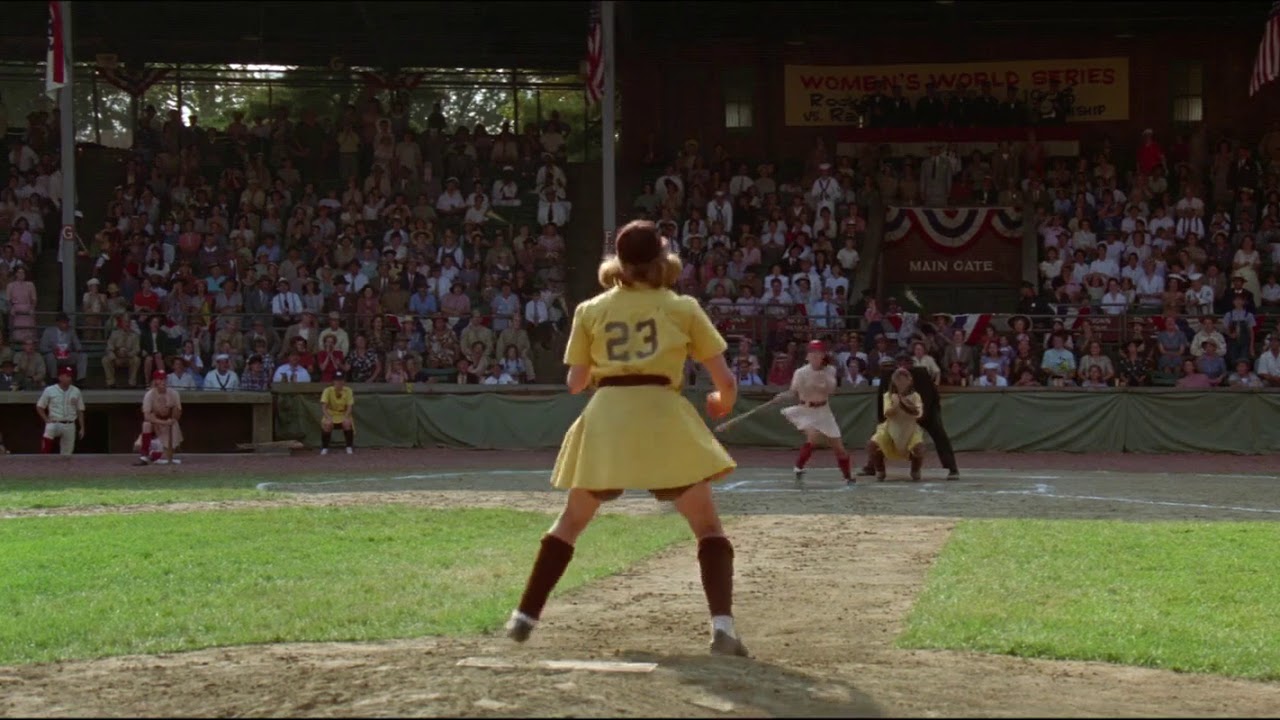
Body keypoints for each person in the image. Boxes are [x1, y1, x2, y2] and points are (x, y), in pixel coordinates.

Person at [504, 220, 747, 657]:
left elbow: (575, 383)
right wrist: (719, 402)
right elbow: (725, 382)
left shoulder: (590, 309)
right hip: (662, 414)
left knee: (571, 522)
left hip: (608, 417)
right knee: (707, 526)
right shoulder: (683, 307)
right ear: (662, 259)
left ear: (617, 262)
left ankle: (524, 616)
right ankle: (723, 629)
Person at [859, 354, 959, 480]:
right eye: (899, 365)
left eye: (906, 364)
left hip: (925, 409)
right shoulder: (888, 375)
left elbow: (928, 399)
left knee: (939, 433)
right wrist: (883, 419)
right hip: (897, 413)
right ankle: (872, 467)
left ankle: (952, 468)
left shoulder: (921, 375)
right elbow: (881, 399)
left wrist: (918, 416)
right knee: (879, 435)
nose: (902, 368)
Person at [781, 339, 853, 487]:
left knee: (839, 447)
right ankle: (798, 467)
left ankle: (848, 476)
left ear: (823, 356)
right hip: (805, 410)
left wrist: (822, 374)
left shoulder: (830, 370)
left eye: (819, 353)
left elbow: (831, 390)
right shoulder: (800, 372)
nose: (815, 356)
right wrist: (782, 396)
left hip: (823, 411)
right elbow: (793, 391)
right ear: (807, 356)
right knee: (813, 436)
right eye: (812, 353)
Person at [867, 366, 926, 481]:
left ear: (910, 381)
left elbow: (918, 413)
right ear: (894, 382)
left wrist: (904, 403)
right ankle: (880, 470)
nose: (901, 382)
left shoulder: (915, 396)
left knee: (919, 448)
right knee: (872, 445)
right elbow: (887, 413)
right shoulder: (888, 396)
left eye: (904, 379)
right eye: (898, 379)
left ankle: (915, 470)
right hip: (890, 430)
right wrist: (895, 404)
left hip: (910, 430)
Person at [136, 370, 184, 466]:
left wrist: (173, 413)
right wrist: (162, 422)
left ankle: (153, 454)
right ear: (155, 381)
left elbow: (178, 414)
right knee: (146, 425)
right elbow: (147, 416)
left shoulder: (174, 393)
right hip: (156, 424)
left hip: (169, 425)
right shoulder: (149, 394)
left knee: (167, 456)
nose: (163, 381)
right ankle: (144, 454)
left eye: (164, 379)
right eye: (160, 379)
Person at [35, 365, 85, 455]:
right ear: (60, 377)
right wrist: (46, 419)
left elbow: (80, 410)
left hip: (69, 423)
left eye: (70, 376)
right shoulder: (50, 390)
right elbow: (40, 406)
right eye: (67, 376)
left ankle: (64, 469)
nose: (70, 378)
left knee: (67, 454)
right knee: (46, 448)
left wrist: (82, 427)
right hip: (54, 422)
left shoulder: (76, 391)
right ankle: (44, 467)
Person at [319, 371, 355, 455]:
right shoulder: (327, 390)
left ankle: (349, 447)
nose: (339, 382)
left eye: (341, 380)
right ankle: (325, 447)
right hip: (331, 413)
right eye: (337, 380)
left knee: (347, 423)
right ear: (333, 381)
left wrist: (346, 417)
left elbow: (350, 407)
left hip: (343, 413)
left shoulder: (348, 390)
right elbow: (324, 407)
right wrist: (328, 417)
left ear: (344, 381)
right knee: (327, 424)